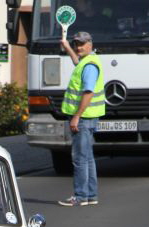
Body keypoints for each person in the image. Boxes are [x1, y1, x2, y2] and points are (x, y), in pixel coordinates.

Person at [58, 31, 105, 207]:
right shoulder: (87, 62)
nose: (79, 47)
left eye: (82, 44)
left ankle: (80, 196)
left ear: (90, 44)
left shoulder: (90, 66)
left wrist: (76, 117)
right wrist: (67, 46)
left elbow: (88, 92)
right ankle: (91, 195)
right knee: (88, 157)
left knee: (79, 158)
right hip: (89, 117)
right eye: (76, 44)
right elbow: (76, 62)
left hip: (83, 118)